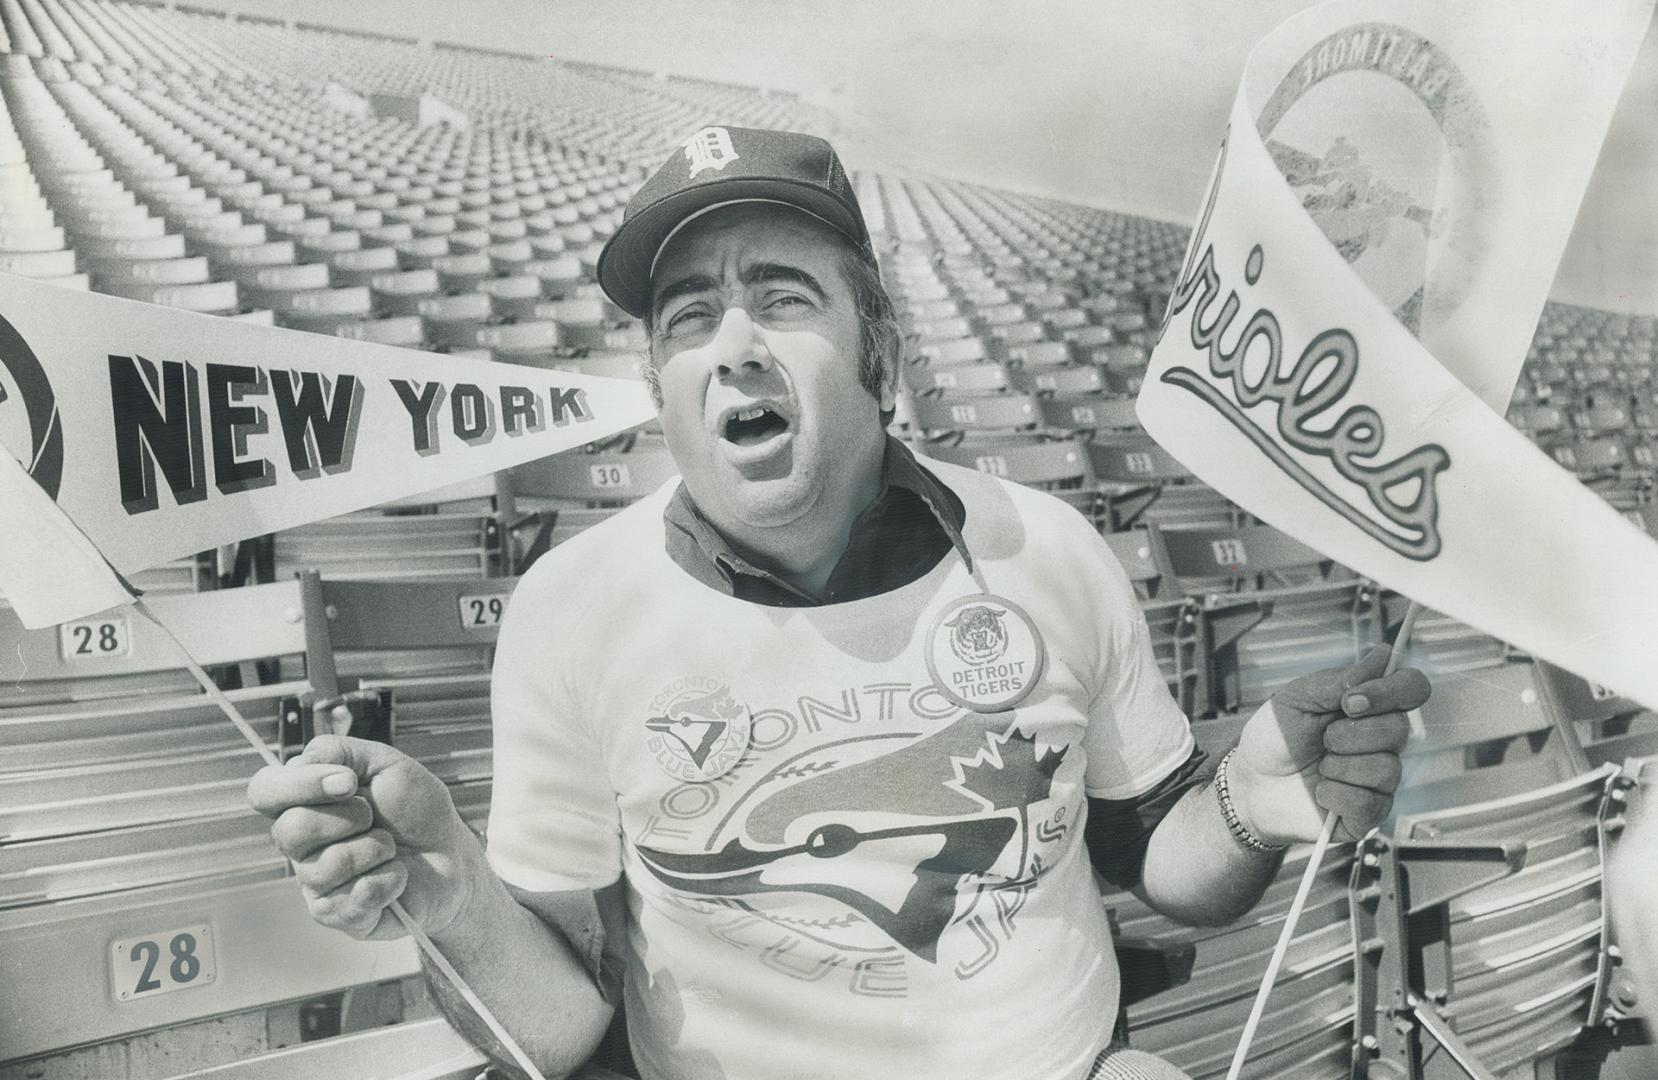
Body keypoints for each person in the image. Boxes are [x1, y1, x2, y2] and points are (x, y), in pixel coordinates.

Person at [248, 125, 1429, 1080]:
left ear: (883, 354)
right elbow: (555, 1033)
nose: (734, 347)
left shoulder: (1047, 550)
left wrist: (1250, 808)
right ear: (657, 383)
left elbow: (1162, 863)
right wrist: (446, 889)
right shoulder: (570, 610)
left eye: (782, 296)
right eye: (687, 320)